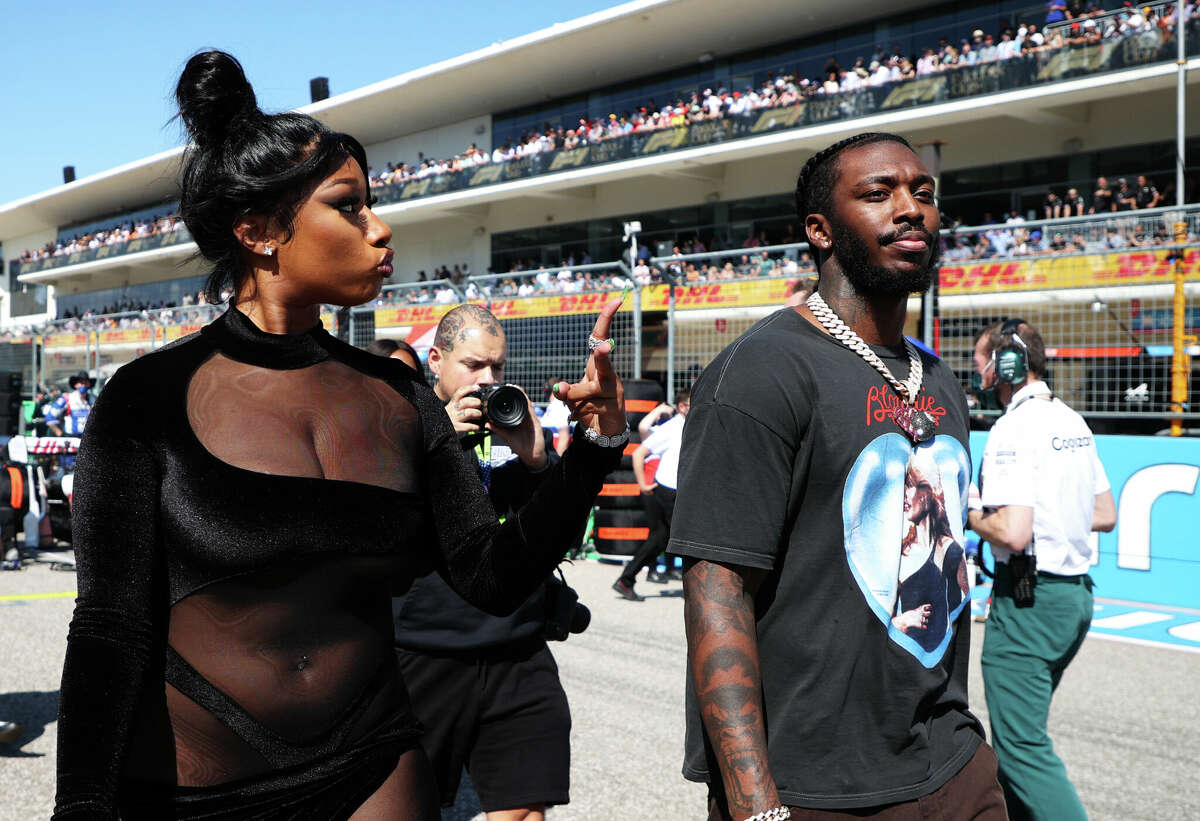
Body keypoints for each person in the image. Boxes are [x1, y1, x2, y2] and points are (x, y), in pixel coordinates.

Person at [53, 50, 627, 821]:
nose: (381, 229)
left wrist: (594, 449)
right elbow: (110, 622)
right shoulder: (146, 398)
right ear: (259, 230)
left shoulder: (398, 397)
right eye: (349, 206)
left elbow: (492, 576)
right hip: (196, 784)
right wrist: (82, 803)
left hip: (375, 760)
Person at [671, 132, 1005, 820]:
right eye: (879, 193)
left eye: (923, 192)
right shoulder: (761, 371)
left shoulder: (938, 377)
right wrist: (754, 801)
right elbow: (717, 586)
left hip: (953, 765)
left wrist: (971, 752)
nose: (911, 208)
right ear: (820, 231)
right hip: (811, 788)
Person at [392, 304, 577, 820]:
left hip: (517, 648)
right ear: (436, 360)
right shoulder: (401, 424)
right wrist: (437, 443)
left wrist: (540, 462)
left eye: (497, 367)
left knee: (523, 809)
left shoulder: (508, 427)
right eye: (474, 365)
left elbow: (552, 531)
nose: (488, 379)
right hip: (426, 652)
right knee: (406, 806)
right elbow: (380, 521)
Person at [968, 318, 1116, 821]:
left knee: (1020, 748)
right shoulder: (1072, 420)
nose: (980, 373)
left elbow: (1012, 533)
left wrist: (967, 511)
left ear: (1007, 364)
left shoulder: (1013, 427)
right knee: (1020, 740)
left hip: (1028, 601)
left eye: (983, 362)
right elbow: (1105, 514)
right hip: (1074, 599)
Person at [612, 388, 689, 601]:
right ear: (682, 407)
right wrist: (644, 484)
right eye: (692, 404)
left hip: (675, 491)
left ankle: (626, 580)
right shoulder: (672, 428)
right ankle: (694, 588)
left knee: (660, 538)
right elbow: (639, 453)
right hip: (668, 492)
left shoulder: (688, 427)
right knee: (685, 536)